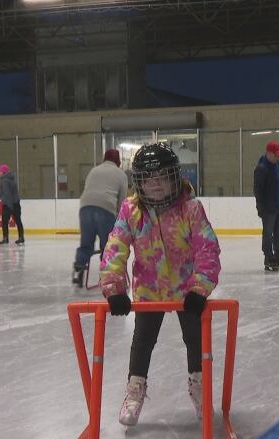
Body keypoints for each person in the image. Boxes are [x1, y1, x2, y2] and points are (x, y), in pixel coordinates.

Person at [99, 143, 221, 426]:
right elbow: (115, 247)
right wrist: (115, 288)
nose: (154, 185)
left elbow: (207, 249)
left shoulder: (190, 209)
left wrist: (200, 288)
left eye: (161, 178)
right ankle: (134, 390)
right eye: (146, 179)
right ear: (138, 182)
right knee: (142, 340)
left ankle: (200, 388)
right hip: (149, 290)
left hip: (185, 289)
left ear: (174, 178)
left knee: (195, 339)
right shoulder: (131, 210)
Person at [71, 149, 128, 287]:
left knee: (86, 244)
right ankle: (107, 275)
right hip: (106, 209)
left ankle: (79, 269)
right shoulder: (121, 174)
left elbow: (88, 189)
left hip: (85, 207)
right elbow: (122, 201)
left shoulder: (94, 170)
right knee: (108, 245)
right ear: (118, 161)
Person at [253, 140, 279, 271]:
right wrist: (260, 207)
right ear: (269, 153)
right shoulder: (261, 169)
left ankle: (278, 256)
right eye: (275, 154)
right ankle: (268, 257)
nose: (278, 157)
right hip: (268, 208)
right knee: (268, 233)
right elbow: (257, 190)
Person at [0, 164, 25, 245]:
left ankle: (5, 238)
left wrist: (9, 206)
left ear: (3, 172)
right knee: (18, 221)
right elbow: (3, 192)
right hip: (16, 203)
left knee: (5, 222)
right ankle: (21, 237)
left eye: (0, 171)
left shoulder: (4, 180)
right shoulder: (12, 179)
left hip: (8, 205)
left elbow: (7, 193)